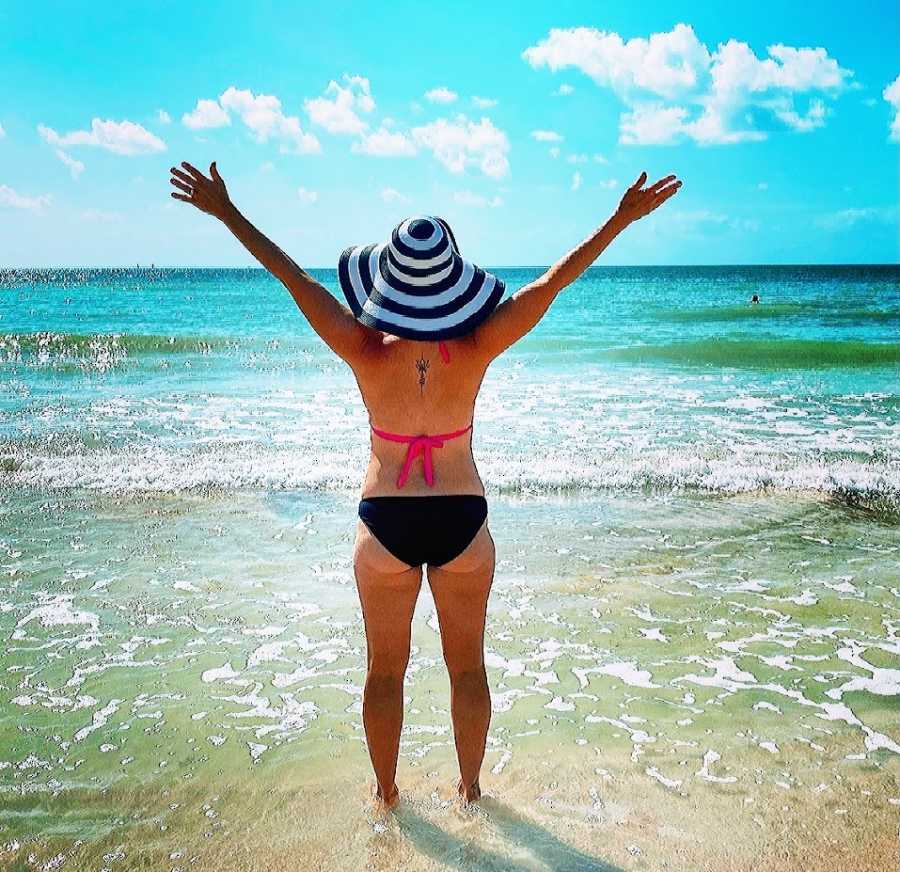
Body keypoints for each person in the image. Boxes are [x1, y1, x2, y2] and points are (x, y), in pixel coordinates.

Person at [169, 161, 682, 810]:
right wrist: (619, 220)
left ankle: (385, 793)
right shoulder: (477, 345)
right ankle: (470, 790)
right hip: (461, 519)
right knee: (466, 667)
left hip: (384, 520)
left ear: (387, 279)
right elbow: (553, 284)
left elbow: (291, 277)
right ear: (452, 284)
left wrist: (228, 213)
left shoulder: (362, 346)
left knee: (384, 670)